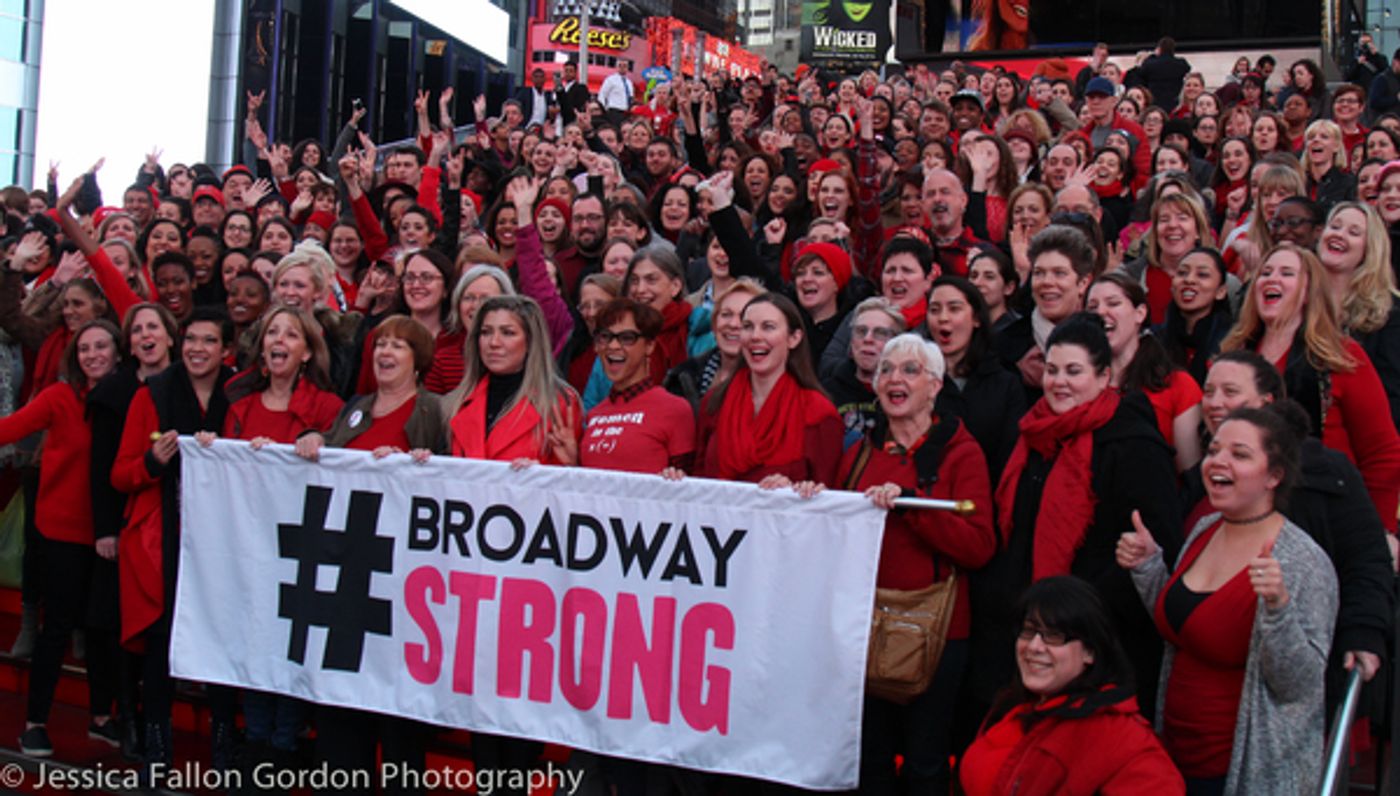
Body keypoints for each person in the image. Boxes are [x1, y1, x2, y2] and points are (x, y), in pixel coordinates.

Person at [968, 313, 1182, 743]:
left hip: (1100, 638)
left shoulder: (1134, 444)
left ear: (1104, 377)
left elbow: (1158, 541)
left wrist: (1079, 612)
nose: (1059, 382)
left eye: (1073, 371)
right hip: (1027, 630)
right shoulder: (1031, 434)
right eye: (1052, 370)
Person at [1118, 405, 1338, 795]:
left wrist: (1278, 607)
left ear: (1274, 476)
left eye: (1240, 454)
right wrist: (1149, 566)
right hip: (1172, 756)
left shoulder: (1302, 561)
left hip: (1243, 773)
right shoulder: (1205, 528)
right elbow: (1186, 628)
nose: (1218, 461)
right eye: (1214, 449)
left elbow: (1299, 686)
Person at [1187, 352, 1394, 710]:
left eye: (1230, 391)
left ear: (1266, 402)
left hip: (1288, 695)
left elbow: (1365, 558)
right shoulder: (1201, 477)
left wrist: (1363, 631)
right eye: (1208, 392)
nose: (1215, 402)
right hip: (1201, 694)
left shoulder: (1323, 472)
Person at [293, 314, 445, 793]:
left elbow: (451, 480)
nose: (386, 352)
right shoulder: (355, 409)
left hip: (401, 587)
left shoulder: (433, 411)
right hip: (348, 580)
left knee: (398, 722)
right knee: (342, 713)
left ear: (418, 361)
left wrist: (421, 467)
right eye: (381, 344)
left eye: (399, 345)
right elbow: (329, 461)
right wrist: (315, 440)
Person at [841, 333, 996, 793]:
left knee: (925, 763)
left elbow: (979, 546)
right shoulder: (858, 453)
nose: (896, 379)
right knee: (869, 760)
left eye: (911, 370)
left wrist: (913, 507)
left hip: (935, 632)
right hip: (866, 628)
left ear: (935, 386)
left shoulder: (962, 453)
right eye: (886, 370)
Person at [212, 306, 343, 771]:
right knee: (254, 639)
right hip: (250, 547)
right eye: (272, 333)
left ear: (306, 352)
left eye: (290, 334)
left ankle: (283, 744)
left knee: (290, 644)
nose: (279, 340)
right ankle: (255, 740)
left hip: (300, 549)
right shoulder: (240, 409)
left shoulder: (327, 408)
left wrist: (317, 442)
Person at [113, 308, 235, 773]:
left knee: (222, 644)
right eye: (190, 340)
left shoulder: (239, 392)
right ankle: (157, 750)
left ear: (226, 350)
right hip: (162, 543)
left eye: (208, 341)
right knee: (161, 646)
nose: (197, 349)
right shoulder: (154, 393)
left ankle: (224, 751)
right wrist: (152, 461)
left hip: (223, 545)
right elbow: (120, 474)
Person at [1220, 243, 1400, 529]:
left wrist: (1379, 532)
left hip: (1327, 518)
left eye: (1286, 273)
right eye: (1265, 272)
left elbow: (1383, 452)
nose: (1272, 279)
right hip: (1244, 514)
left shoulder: (1341, 356)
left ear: (1308, 291)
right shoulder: (1234, 355)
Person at [7, 320, 123, 758]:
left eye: (101, 347)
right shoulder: (59, 397)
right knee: (56, 628)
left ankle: (102, 717)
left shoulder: (126, 398)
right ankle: (34, 724)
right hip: (59, 533)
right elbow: (12, 428)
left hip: (108, 535)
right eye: (84, 349)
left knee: (101, 631)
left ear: (118, 352)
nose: (93, 355)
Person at [959, 577, 1184, 795]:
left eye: (1054, 636)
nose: (1034, 646)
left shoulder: (1117, 736)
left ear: (1090, 651)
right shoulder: (1013, 705)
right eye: (1028, 631)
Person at [692, 293, 842, 485]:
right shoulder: (714, 402)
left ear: (794, 338)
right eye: (748, 327)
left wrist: (792, 491)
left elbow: (829, 493)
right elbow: (696, 480)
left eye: (768, 327)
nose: (755, 336)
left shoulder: (818, 413)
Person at [1087, 273, 1203, 471]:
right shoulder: (1078, 383)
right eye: (1092, 307)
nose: (1100, 312)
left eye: (1113, 303)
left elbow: (1189, 472)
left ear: (1140, 313)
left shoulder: (1178, 384)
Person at [926, 275, 1026, 482]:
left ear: (976, 319)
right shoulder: (916, 382)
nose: (943, 318)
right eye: (934, 310)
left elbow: (1011, 457)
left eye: (954, 309)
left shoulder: (1006, 384)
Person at [1316, 201, 1400, 431]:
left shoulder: (1391, 313)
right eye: (1334, 227)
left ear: (1370, 249)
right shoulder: (1298, 297)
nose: (1339, 235)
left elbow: (1393, 395)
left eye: (1353, 232)